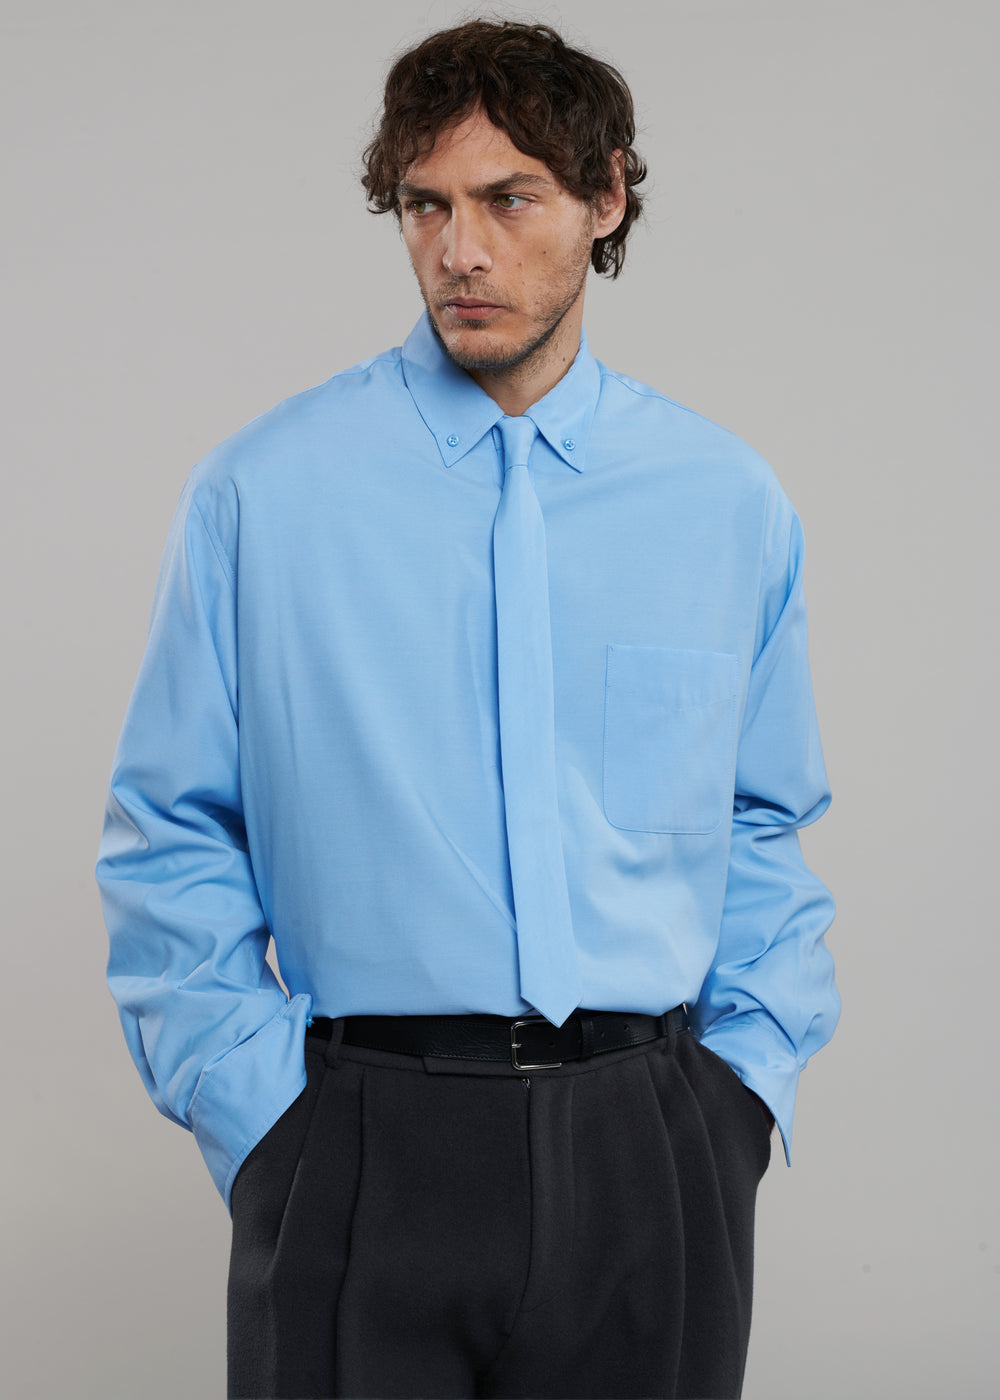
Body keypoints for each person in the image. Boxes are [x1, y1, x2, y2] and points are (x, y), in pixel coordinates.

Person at [96, 18, 839, 1400]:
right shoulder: (265, 493)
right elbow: (169, 827)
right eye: (426, 206)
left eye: (509, 200)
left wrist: (738, 1095)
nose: (461, 251)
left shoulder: (725, 502)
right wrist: (267, 1125)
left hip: (652, 1144)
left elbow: (761, 817)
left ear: (604, 198)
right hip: (360, 1148)